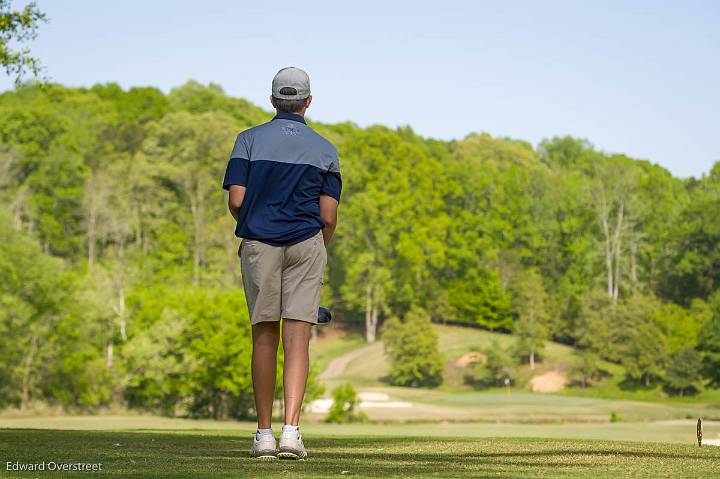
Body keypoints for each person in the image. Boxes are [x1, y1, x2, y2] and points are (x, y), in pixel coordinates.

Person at [222, 66, 342, 460]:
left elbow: (237, 200)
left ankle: (264, 436)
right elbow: (328, 216)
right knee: (297, 339)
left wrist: (258, 227)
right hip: (307, 243)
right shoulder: (325, 149)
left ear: (273, 100)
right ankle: (292, 432)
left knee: (264, 334)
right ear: (308, 102)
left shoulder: (248, 141)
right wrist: (316, 248)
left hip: (259, 243)